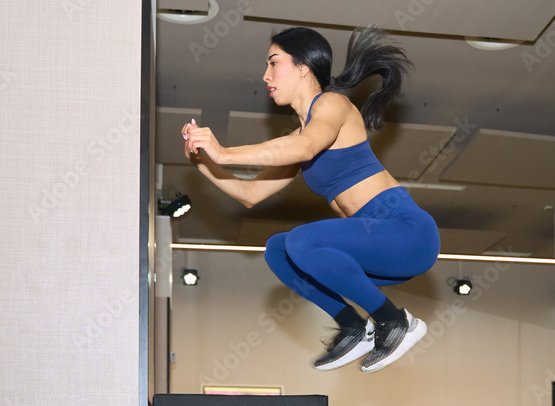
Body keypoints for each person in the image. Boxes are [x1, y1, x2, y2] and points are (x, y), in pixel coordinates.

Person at [182, 26, 440, 373]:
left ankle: (395, 322)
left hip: (406, 232)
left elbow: (306, 146)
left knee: (304, 240)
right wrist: (203, 160)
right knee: (278, 248)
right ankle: (353, 326)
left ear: (303, 66)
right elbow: (250, 194)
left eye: (274, 63)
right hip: (374, 250)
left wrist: (224, 152)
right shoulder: (298, 137)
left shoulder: (333, 105)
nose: (265, 75)